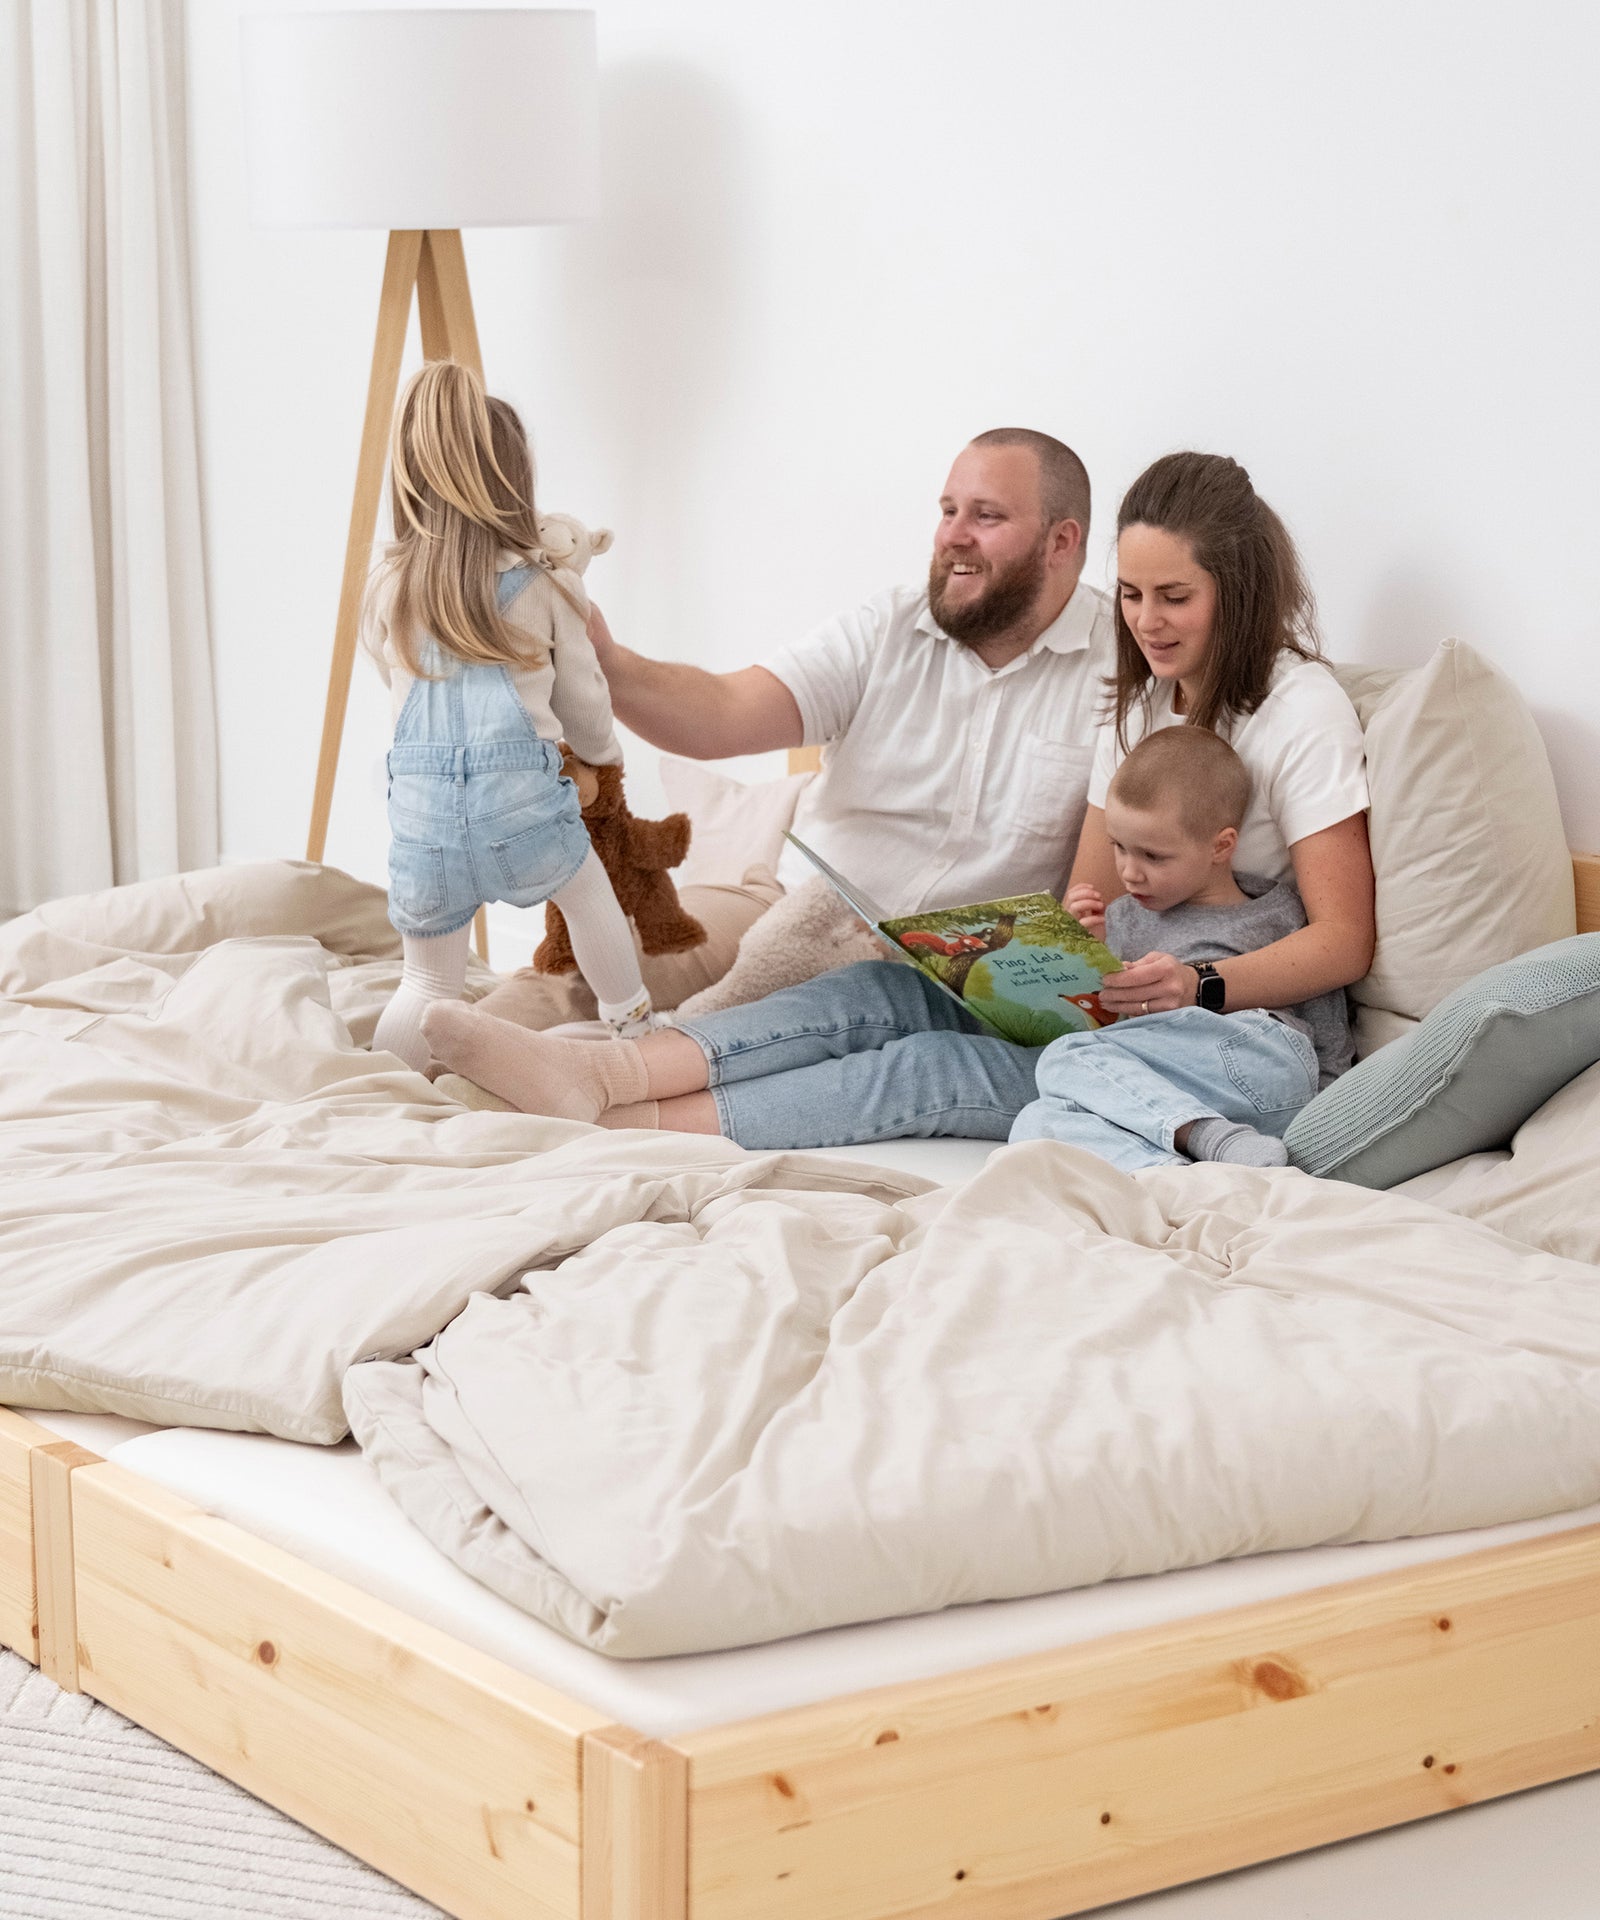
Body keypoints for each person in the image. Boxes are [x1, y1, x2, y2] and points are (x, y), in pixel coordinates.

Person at [423, 450, 1374, 1150]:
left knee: (929, 1064)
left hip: (1216, 1034)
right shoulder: (1136, 701)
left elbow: (1345, 941)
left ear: (1236, 592)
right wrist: (1049, 944)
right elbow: (1089, 905)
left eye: (1174, 597)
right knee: (878, 990)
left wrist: (1195, 984)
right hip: (1119, 1004)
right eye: (1130, 595)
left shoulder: (1299, 709)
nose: (1147, 623)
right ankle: (598, 1071)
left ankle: (622, 1126)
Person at [473, 427, 1115, 1027]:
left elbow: (1090, 922)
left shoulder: (1124, 672)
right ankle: (438, 1061)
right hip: (788, 905)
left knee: (745, 1044)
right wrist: (606, 660)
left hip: (947, 973)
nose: (953, 535)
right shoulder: (889, 626)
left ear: (1061, 542)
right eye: (948, 510)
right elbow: (723, 712)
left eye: (986, 516)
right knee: (588, 967)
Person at [365, 360, 656, 1074]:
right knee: (589, 897)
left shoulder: (389, 587)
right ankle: (635, 1030)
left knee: (424, 983)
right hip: (522, 810)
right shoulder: (550, 586)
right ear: (515, 485)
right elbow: (584, 706)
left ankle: (381, 1087)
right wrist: (604, 761)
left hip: (425, 824)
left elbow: (393, 684)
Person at [1007, 725, 1352, 1170]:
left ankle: (1206, 1136)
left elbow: (1325, 1007)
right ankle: (1183, 1176)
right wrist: (1077, 950)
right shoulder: (1120, 918)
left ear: (1221, 846)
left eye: (1153, 856)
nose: (1129, 873)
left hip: (1264, 1059)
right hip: (1193, 1098)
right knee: (1035, 1125)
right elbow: (1112, 1038)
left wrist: (1330, 1108)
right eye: (1119, 847)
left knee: (1065, 1058)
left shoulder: (1273, 909)